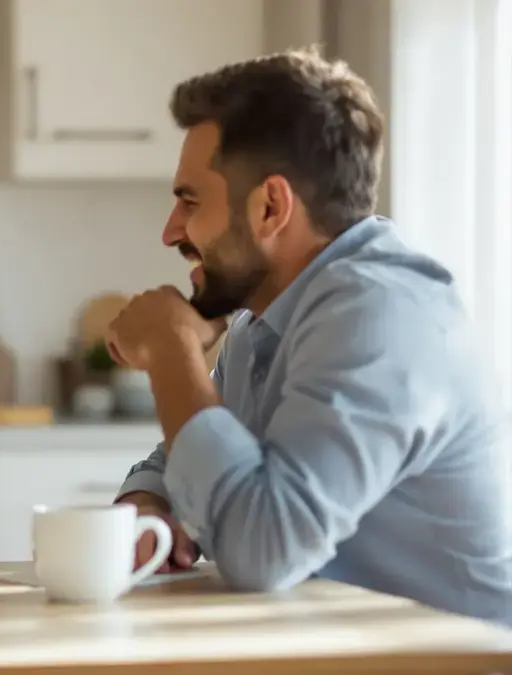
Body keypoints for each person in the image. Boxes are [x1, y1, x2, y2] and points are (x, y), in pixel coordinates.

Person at [108, 47, 512, 625]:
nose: (171, 232)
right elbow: (201, 451)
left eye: (190, 201)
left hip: (453, 658)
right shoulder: (263, 321)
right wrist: (149, 503)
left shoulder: (380, 315)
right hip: (337, 646)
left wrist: (172, 351)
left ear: (270, 207)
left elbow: (263, 550)